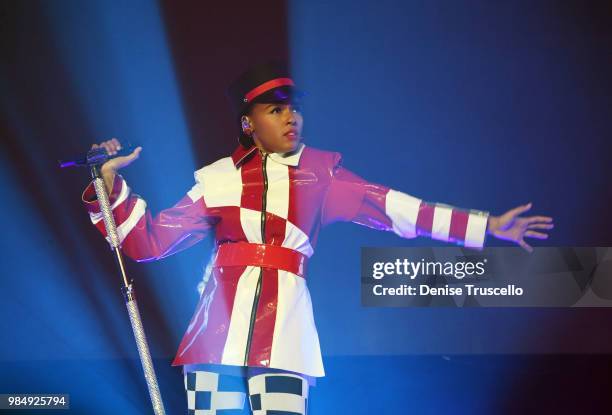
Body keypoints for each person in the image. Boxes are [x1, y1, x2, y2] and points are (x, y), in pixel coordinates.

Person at [83, 61, 554, 414]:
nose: (291, 118)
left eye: (294, 109)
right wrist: (107, 182)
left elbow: (397, 209)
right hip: (216, 334)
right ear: (248, 122)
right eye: (275, 109)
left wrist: (487, 226)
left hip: (285, 329)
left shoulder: (320, 172)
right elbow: (147, 244)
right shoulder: (217, 179)